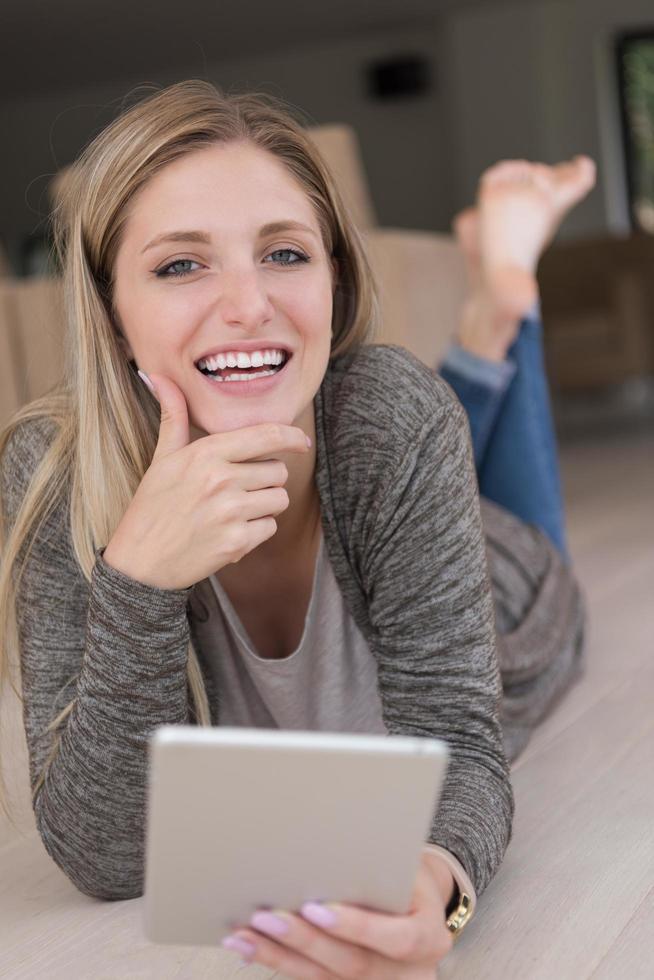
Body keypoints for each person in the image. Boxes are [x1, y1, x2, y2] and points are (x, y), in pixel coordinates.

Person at [0, 80, 589, 978]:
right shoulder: (52, 478)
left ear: (334, 279)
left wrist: (437, 886)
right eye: (179, 265)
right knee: (414, 420)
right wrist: (139, 582)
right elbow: (110, 856)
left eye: (284, 254)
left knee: (489, 490)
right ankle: (490, 314)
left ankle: (504, 302)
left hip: (510, 587)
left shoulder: (389, 419)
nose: (247, 306)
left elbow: (465, 744)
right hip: (379, 445)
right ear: (112, 314)